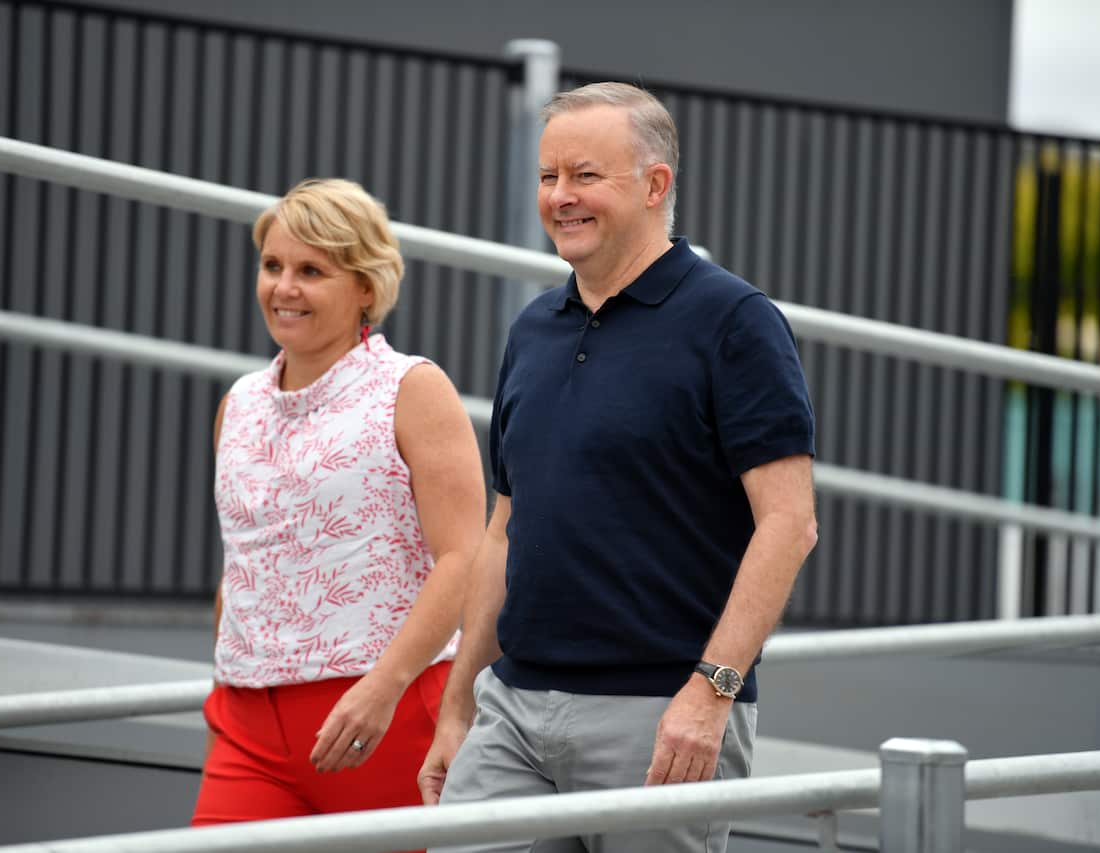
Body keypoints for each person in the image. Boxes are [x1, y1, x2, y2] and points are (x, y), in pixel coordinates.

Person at [416, 82, 818, 853]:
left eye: (585, 175)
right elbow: (507, 528)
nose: (560, 197)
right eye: (547, 177)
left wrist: (712, 692)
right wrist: (461, 701)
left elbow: (789, 522)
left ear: (656, 184)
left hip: (660, 716)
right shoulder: (532, 327)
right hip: (513, 710)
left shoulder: (735, 322)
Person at [192, 178, 486, 830]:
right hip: (248, 725)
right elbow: (241, 568)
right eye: (272, 266)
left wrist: (384, 687)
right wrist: (222, 694)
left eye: (311, 270)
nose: (283, 287)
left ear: (365, 286)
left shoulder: (413, 388)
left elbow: (465, 559)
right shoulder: (237, 404)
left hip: (386, 714)